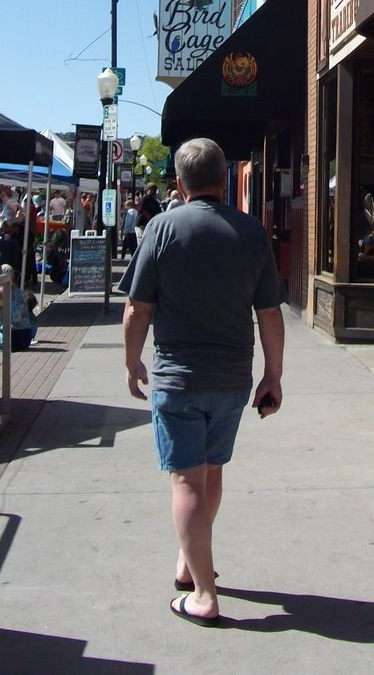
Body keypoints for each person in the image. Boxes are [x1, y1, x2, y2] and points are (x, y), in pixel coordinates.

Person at [121, 138, 284, 626]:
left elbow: (138, 308)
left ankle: (205, 595)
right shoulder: (252, 232)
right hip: (232, 378)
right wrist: (272, 376)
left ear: (179, 184)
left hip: (178, 378)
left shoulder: (161, 229)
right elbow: (270, 313)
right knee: (210, 473)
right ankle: (188, 563)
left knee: (186, 480)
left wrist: (132, 362)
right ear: (222, 181)